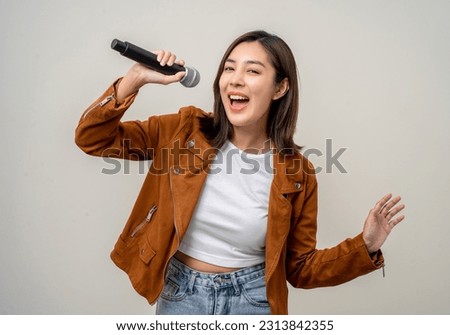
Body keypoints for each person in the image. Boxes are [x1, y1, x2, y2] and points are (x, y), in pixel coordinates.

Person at [75, 30, 405, 315]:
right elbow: (93, 139)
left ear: (279, 88)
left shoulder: (297, 172)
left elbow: (300, 268)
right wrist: (134, 79)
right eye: (229, 68)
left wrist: (366, 245)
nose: (235, 78)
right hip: (181, 296)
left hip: (254, 299)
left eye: (252, 71)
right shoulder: (183, 131)